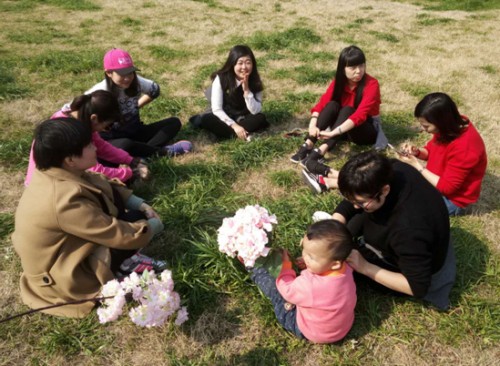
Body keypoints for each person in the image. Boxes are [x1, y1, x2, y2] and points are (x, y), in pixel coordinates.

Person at [12, 117, 165, 318]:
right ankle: (123, 266)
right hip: (63, 278)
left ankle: (124, 258)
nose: (95, 147)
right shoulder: (64, 200)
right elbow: (115, 233)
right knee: (133, 230)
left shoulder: (57, 172)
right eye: (89, 145)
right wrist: (153, 226)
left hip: (62, 254)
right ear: (70, 159)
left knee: (134, 215)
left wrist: (140, 204)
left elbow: (105, 184)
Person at [326, 151, 454, 310]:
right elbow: (354, 202)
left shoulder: (407, 230)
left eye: (360, 202)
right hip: (419, 236)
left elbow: (418, 288)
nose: (354, 206)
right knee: (341, 232)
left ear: (385, 190)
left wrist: (365, 267)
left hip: (419, 271)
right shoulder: (394, 168)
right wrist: (335, 222)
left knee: (343, 256)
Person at [291, 45, 385, 187]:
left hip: (365, 130)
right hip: (344, 128)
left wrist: (334, 132)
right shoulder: (339, 83)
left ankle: (321, 151)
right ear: (343, 68)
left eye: (361, 65)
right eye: (352, 67)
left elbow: (360, 115)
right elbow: (323, 103)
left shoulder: (371, 84)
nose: (358, 71)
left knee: (348, 110)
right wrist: (313, 123)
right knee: (332, 105)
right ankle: (309, 143)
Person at [249, 220, 356, 343]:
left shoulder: (310, 285)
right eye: (305, 250)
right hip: (340, 328)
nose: (304, 256)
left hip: (312, 331)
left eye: (311, 257)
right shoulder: (346, 268)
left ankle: (253, 267)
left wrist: (286, 268)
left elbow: (287, 290)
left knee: (275, 291)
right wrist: (309, 263)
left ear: (334, 264)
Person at [82, 48, 192, 157]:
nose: (127, 78)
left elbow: (155, 90)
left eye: (130, 72)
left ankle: (144, 153)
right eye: (122, 74)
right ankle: (159, 152)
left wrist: (137, 106)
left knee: (173, 123)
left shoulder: (136, 82)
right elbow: (74, 111)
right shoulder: (99, 92)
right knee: (125, 144)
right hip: (112, 138)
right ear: (109, 73)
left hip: (135, 130)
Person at [25, 90, 149, 186]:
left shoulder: (79, 118)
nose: (105, 130)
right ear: (94, 118)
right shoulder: (68, 134)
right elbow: (94, 171)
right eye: (107, 126)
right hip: (49, 188)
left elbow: (101, 147)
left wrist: (131, 160)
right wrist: (131, 173)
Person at [398, 92, 487, 216]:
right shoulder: (451, 126)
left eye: (426, 126)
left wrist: (418, 167)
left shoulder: (465, 147)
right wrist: (417, 152)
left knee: (411, 211)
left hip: (453, 199)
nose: (423, 129)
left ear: (441, 122)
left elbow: (448, 187)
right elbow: (430, 151)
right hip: (436, 182)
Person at [194, 45, 269, 140]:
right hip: (223, 114)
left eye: (248, 63)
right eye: (240, 63)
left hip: (243, 115)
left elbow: (255, 111)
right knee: (207, 119)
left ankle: (226, 135)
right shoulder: (221, 78)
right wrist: (235, 126)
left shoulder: (255, 80)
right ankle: (242, 133)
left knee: (260, 118)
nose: (244, 67)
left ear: (253, 64)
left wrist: (247, 91)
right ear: (232, 64)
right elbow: (217, 109)